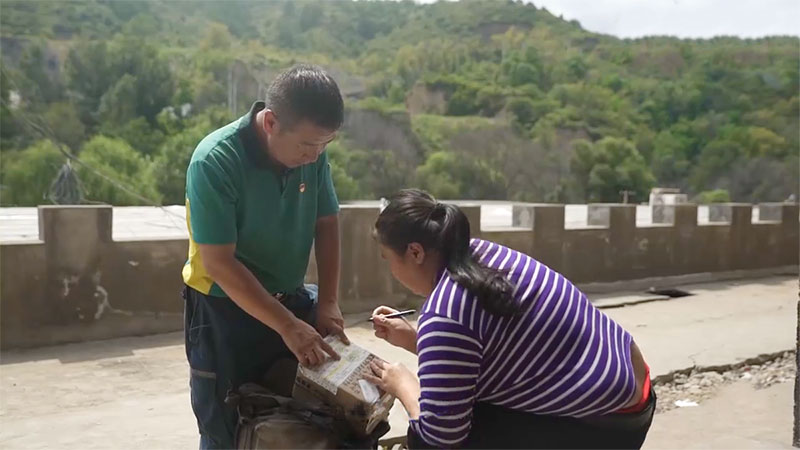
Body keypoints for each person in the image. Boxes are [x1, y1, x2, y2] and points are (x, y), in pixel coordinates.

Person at [365, 189, 655, 449]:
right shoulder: (480, 253)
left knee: (425, 440)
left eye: (387, 258)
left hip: (604, 427)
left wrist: (402, 383)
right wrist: (417, 341)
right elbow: (495, 347)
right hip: (634, 392)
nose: (391, 271)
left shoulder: (443, 314)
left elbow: (441, 438)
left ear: (415, 252)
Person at [182, 64, 349, 449]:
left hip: (289, 301)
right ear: (271, 122)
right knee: (227, 429)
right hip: (223, 312)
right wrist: (288, 326)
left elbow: (326, 222)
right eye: (307, 145)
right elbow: (219, 263)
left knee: (295, 422)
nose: (315, 155)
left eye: (324, 145)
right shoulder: (215, 161)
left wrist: (327, 301)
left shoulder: (313, 154)